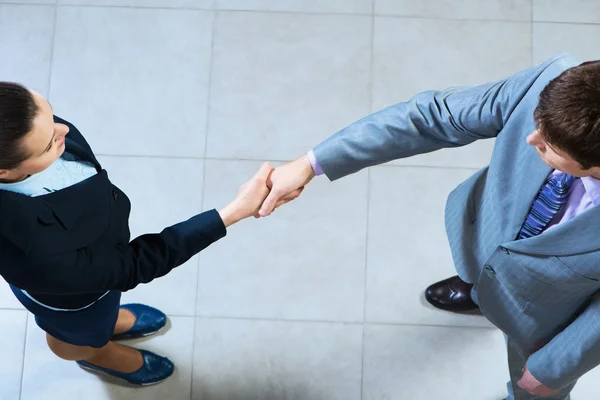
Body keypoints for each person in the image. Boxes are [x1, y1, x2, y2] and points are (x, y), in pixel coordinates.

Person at [259, 54, 600, 400]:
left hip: (545, 316)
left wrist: (554, 369)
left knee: (533, 390)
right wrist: (310, 163)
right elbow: (434, 117)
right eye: (537, 123)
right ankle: (481, 294)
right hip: (482, 238)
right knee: (481, 277)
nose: (530, 139)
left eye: (548, 146)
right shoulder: (552, 83)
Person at [0, 81, 279, 385]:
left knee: (103, 310)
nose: (63, 130)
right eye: (47, 143)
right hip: (75, 298)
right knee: (76, 333)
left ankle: (107, 321)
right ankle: (96, 353)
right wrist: (235, 211)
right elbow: (134, 264)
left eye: (52, 115)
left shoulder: (27, 126)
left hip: (95, 264)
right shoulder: (38, 253)